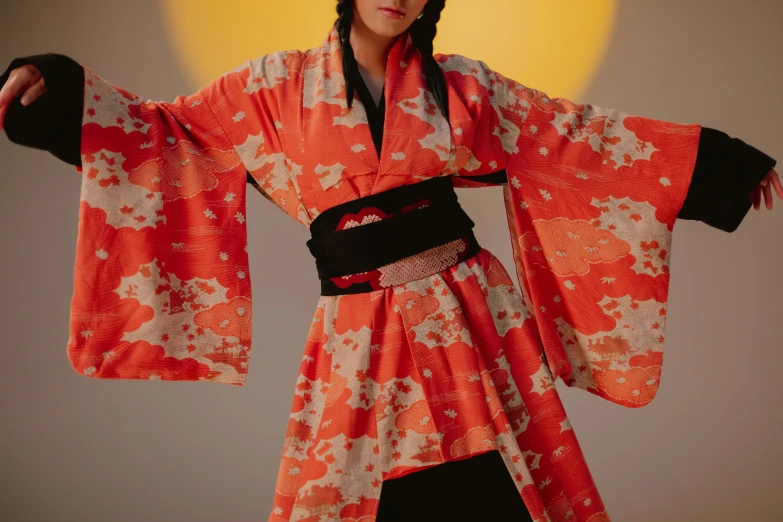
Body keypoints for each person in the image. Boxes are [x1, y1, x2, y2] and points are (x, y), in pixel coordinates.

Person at [0, 1, 780, 520]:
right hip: (357, 328)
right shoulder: (272, 88)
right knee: (360, 493)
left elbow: (579, 141)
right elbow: (162, 137)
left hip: (472, 315)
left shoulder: (462, 88)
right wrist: (60, 94)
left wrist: (724, 167)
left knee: (498, 488)